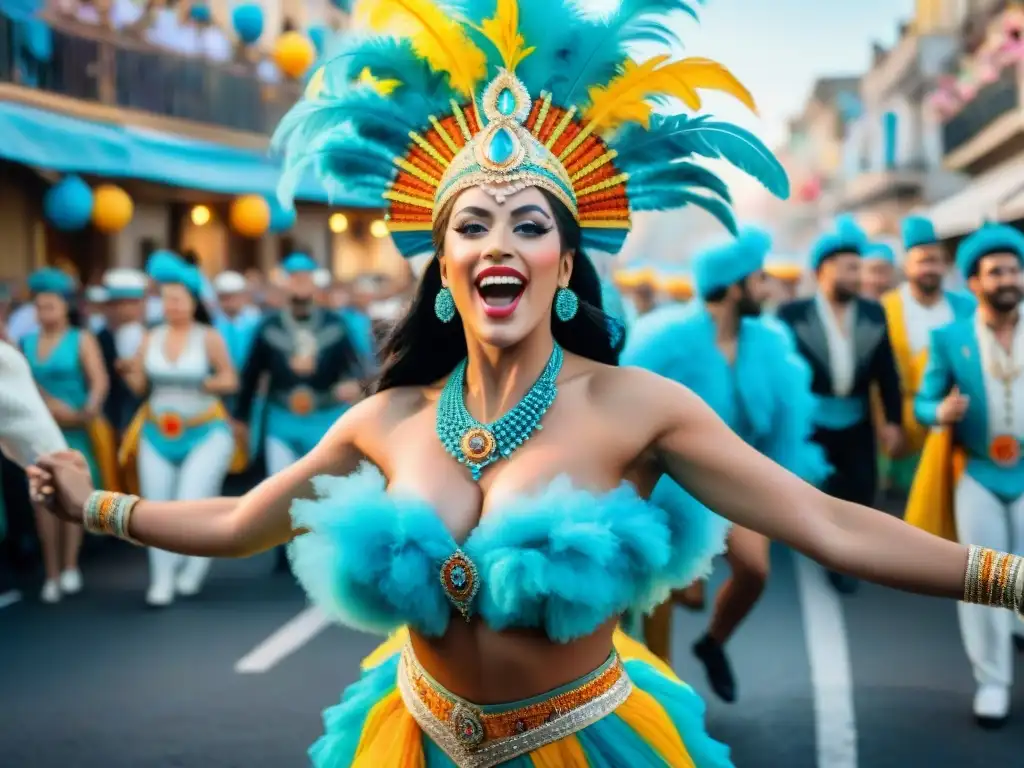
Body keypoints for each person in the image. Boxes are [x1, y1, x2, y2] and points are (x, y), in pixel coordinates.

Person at [27, 1, 1024, 764]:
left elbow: (832, 524)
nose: (497, 242)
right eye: (470, 226)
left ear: (564, 264)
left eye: (529, 225)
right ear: (445, 272)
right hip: (412, 736)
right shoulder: (390, 416)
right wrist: (96, 504)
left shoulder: (638, 409)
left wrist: (1008, 579)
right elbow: (241, 522)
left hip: (584, 741)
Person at [622, 228, 830, 701]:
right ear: (734, 285)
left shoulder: (770, 341)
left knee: (755, 570)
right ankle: (662, 687)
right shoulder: (666, 338)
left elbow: (785, 420)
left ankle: (713, 642)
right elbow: (631, 409)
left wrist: (785, 486)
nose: (768, 287)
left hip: (740, 478)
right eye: (759, 278)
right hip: (675, 482)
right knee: (661, 588)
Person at [908, 223, 1024, 727]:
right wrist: (941, 411)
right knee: (985, 577)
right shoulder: (950, 338)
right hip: (977, 473)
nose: (1008, 278)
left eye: (1014, 268)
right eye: (995, 271)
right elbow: (921, 403)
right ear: (974, 282)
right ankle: (992, 682)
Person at [776, 216, 904, 594]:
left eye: (858, 267)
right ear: (823, 270)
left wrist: (893, 420)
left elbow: (888, 372)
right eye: (849, 268)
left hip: (858, 418)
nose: (857, 275)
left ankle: (850, 557)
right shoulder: (792, 315)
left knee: (863, 489)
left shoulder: (873, 313)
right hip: (812, 420)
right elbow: (782, 375)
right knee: (825, 495)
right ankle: (835, 559)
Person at [117, 252, 240, 607]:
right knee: (153, 508)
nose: (171, 306)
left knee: (190, 501)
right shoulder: (150, 337)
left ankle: (196, 564)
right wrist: (129, 371)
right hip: (157, 431)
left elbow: (230, 379)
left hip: (204, 431)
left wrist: (204, 384)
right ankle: (161, 579)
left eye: (178, 299)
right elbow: (140, 388)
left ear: (192, 301)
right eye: (166, 299)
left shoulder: (209, 337)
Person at [231, 253, 364, 573]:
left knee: (323, 488)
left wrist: (354, 387)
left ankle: (320, 549)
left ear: (314, 282)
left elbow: (358, 370)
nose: (300, 284)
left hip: (323, 417)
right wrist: (241, 418)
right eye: (294, 278)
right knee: (280, 486)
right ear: (285, 282)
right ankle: (283, 547)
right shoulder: (268, 326)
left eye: (305, 277)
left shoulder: (335, 324)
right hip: (281, 417)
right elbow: (250, 375)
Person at [21, 268, 114, 603]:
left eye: (51, 306)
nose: (45, 313)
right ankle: (52, 571)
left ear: (65, 307)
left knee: (71, 498)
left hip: (75, 427)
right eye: (40, 307)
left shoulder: (81, 338)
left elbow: (99, 380)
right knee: (43, 499)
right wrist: (46, 403)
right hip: (40, 428)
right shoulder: (27, 342)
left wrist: (88, 409)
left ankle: (72, 564)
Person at [878, 216, 975, 494]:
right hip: (906, 424)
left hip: (958, 423)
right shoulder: (886, 309)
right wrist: (888, 424)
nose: (929, 268)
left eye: (935, 260)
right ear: (906, 265)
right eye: (922, 261)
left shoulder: (965, 306)